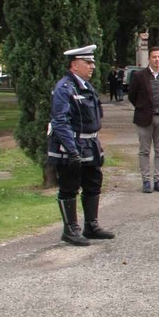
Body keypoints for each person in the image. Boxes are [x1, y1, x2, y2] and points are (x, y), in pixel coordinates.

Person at [48, 45, 114, 246]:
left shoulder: (85, 85)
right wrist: (71, 149)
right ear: (75, 65)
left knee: (93, 182)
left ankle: (91, 225)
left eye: (92, 62)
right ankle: (70, 229)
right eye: (88, 63)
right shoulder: (64, 88)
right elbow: (60, 121)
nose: (92, 66)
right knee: (70, 185)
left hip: (90, 143)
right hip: (73, 145)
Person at [127, 45, 159, 193]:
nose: (157, 59)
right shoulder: (139, 76)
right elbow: (132, 96)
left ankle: (158, 180)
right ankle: (146, 181)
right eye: (154, 57)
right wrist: (142, 107)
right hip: (144, 118)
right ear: (149, 59)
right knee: (144, 151)